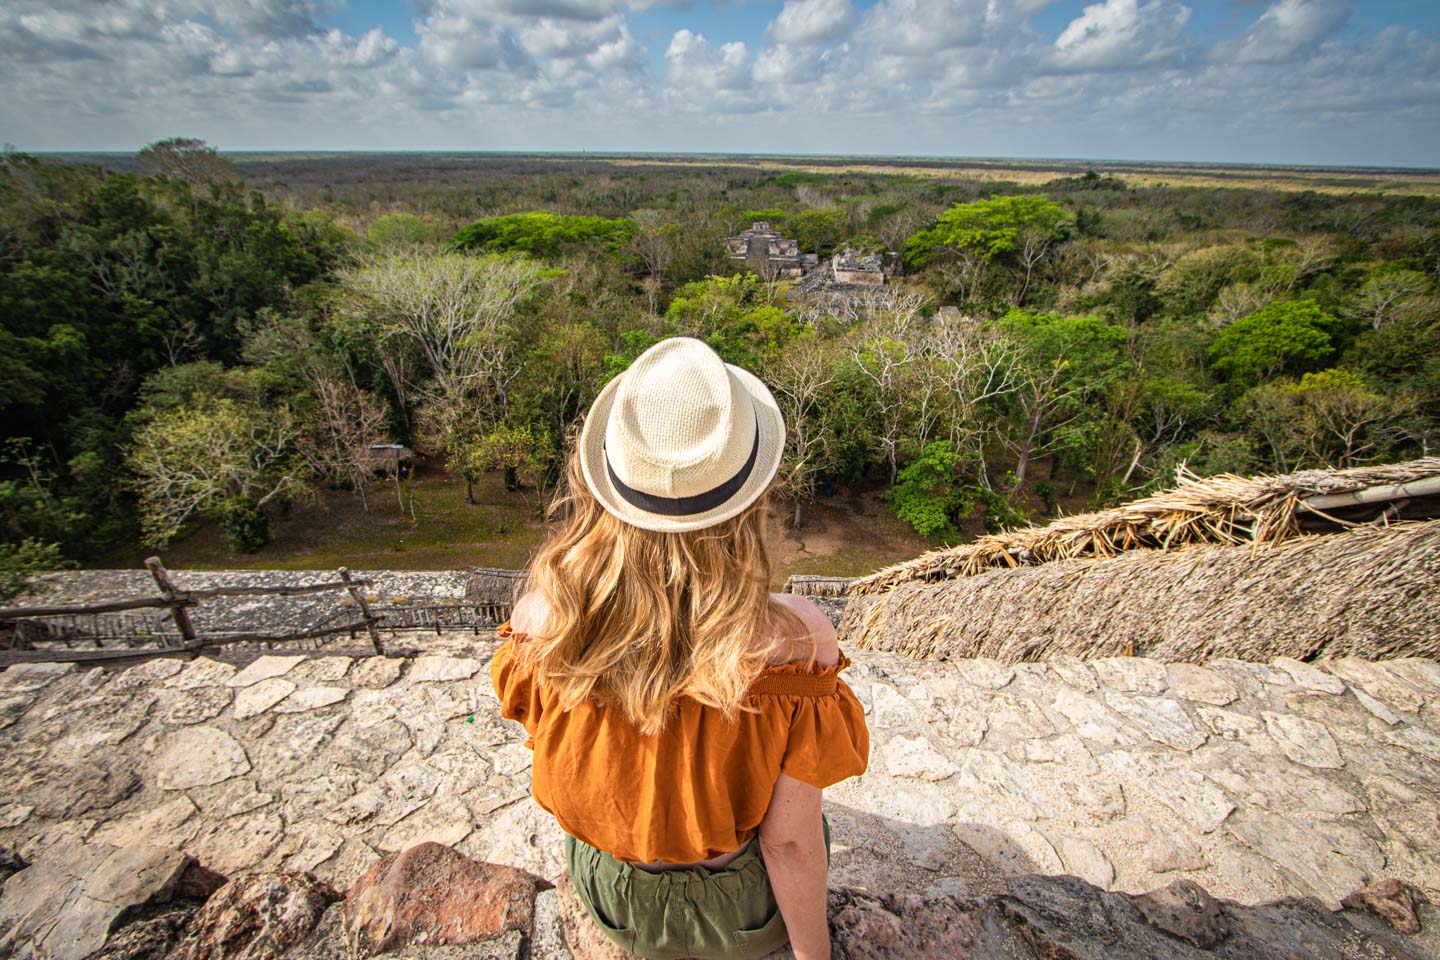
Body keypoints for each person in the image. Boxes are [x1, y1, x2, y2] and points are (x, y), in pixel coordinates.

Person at [490, 337, 870, 960]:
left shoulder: (544, 619)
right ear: (750, 497)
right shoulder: (795, 641)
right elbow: (789, 844)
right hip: (739, 913)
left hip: (616, 898)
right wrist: (814, 956)